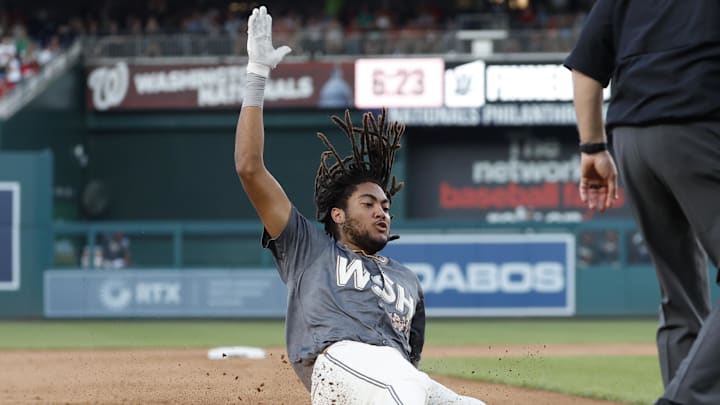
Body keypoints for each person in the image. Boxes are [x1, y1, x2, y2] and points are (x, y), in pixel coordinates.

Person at [234, 6, 486, 405]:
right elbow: (250, 169)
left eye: (385, 205)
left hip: (396, 375)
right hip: (338, 361)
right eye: (368, 203)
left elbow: (409, 360)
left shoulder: (408, 280)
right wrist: (256, 75)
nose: (382, 211)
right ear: (338, 215)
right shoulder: (308, 247)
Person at [565, 1, 720, 404]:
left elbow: (586, 66)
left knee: (680, 294)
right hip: (699, 125)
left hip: (631, 139)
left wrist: (593, 147)